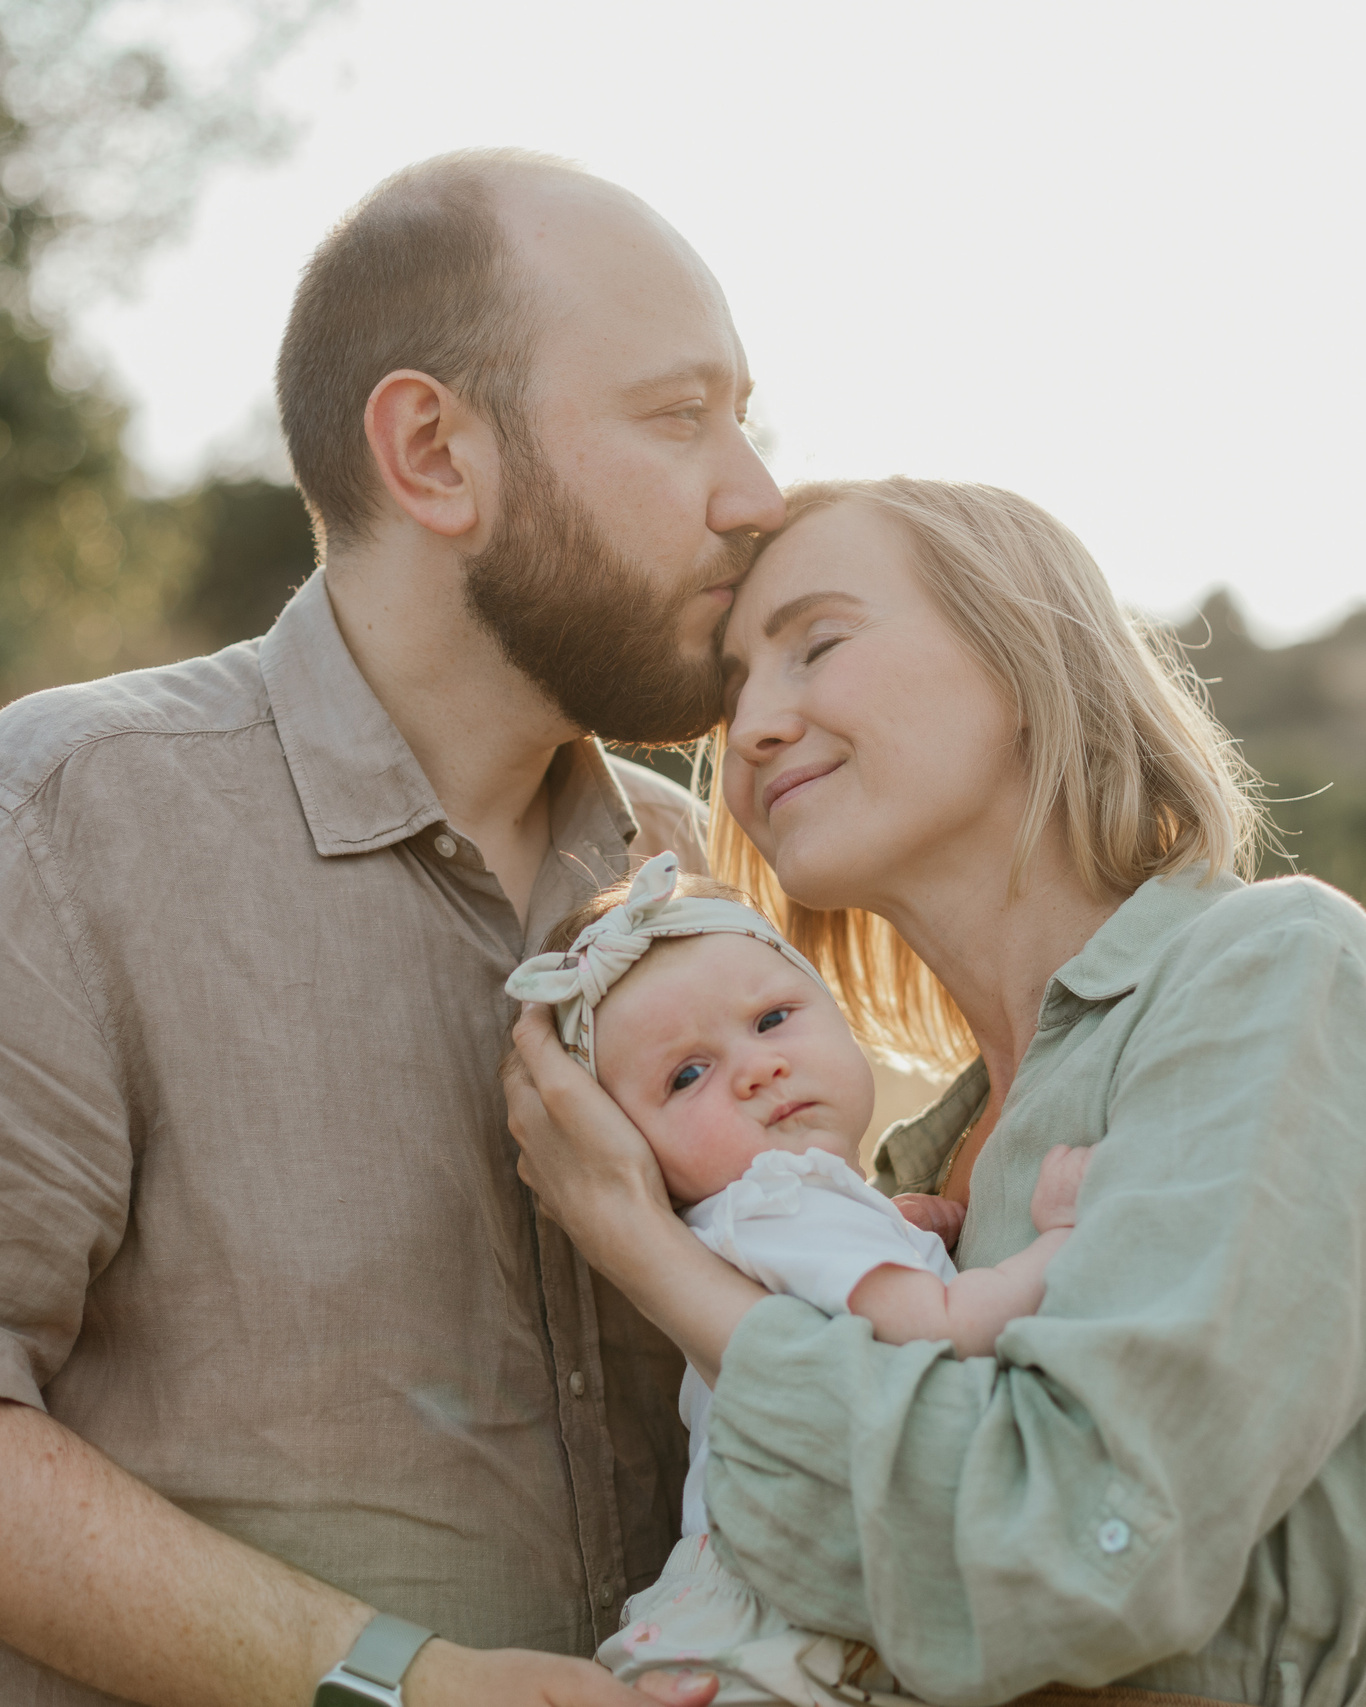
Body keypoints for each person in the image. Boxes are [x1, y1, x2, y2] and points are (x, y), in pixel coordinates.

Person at [0, 148, 785, 1707]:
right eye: (678, 415)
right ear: (433, 450)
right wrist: (394, 1681)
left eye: (746, 417)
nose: (757, 493)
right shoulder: (65, 816)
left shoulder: (685, 869)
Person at [507, 478, 1366, 1707]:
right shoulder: (902, 1178)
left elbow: (1085, 1555)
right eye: (736, 687)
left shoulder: (1271, 972)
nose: (750, 726)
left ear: (1022, 658)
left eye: (818, 643)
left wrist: (648, 1254)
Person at [506, 850, 1090, 1704]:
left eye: (774, 1017)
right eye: (687, 1074)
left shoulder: (764, 1223)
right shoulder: (782, 1198)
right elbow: (941, 1327)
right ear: (632, 1151)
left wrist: (896, 1227)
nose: (756, 1067)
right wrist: (1061, 1240)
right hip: (789, 1637)